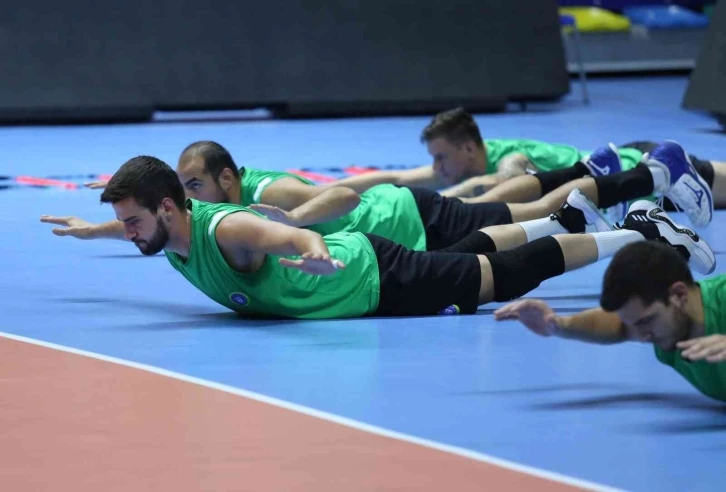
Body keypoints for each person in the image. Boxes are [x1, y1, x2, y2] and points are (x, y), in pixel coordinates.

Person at [41, 156, 715, 320]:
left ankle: (633, 231)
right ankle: (579, 222)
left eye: (134, 221)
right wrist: (95, 229)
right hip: (374, 266)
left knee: (497, 276)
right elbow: (135, 229)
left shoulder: (228, 229)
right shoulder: (168, 234)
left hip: (371, 277)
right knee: (484, 250)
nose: (130, 233)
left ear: (169, 208)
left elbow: (286, 237)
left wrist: (314, 253)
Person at [43, 140, 712, 256]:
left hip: (407, 218)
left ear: (224, 179)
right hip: (400, 227)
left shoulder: (269, 193)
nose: (184, 199)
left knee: (538, 213)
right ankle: (613, 183)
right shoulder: (219, 209)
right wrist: (93, 230)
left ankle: (650, 177)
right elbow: (157, 226)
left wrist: (295, 220)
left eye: (192, 186)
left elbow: (338, 194)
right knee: (535, 216)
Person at [330, 107, 725, 213]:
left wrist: (447, 199)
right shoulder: (460, 163)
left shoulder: (508, 158)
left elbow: (502, 182)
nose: (437, 168)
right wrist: (325, 192)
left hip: (642, 168)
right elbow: (400, 179)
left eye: (441, 157)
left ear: (468, 149)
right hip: (630, 180)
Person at [494, 241, 726, 402]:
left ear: (679, 295)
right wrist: (558, 326)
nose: (642, 337)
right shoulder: (668, 327)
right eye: (635, 324)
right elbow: (619, 326)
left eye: (646, 321)